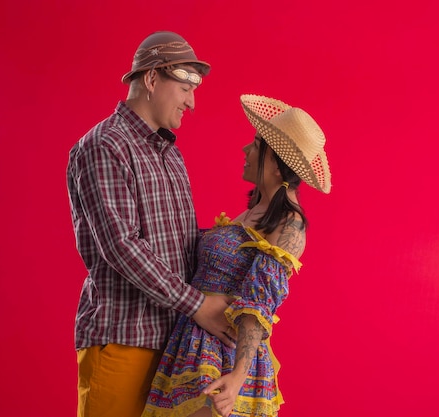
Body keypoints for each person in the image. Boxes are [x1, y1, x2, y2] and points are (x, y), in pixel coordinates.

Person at [66, 31, 237, 417]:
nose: (192, 101)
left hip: (174, 343)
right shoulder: (105, 145)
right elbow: (121, 246)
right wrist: (199, 306)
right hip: (124, 340)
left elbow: (180, 243)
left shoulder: (169, 153)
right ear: (152, 78)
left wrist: (241, 243)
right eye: (186, 86)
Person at [142, 94, 332, 417]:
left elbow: (258, 304)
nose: (246, 150)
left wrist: (238, 378)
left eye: (256, 145)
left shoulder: (290, 224)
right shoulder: (253, 213)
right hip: (190, 347)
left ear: (275, 163)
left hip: (223, 360)